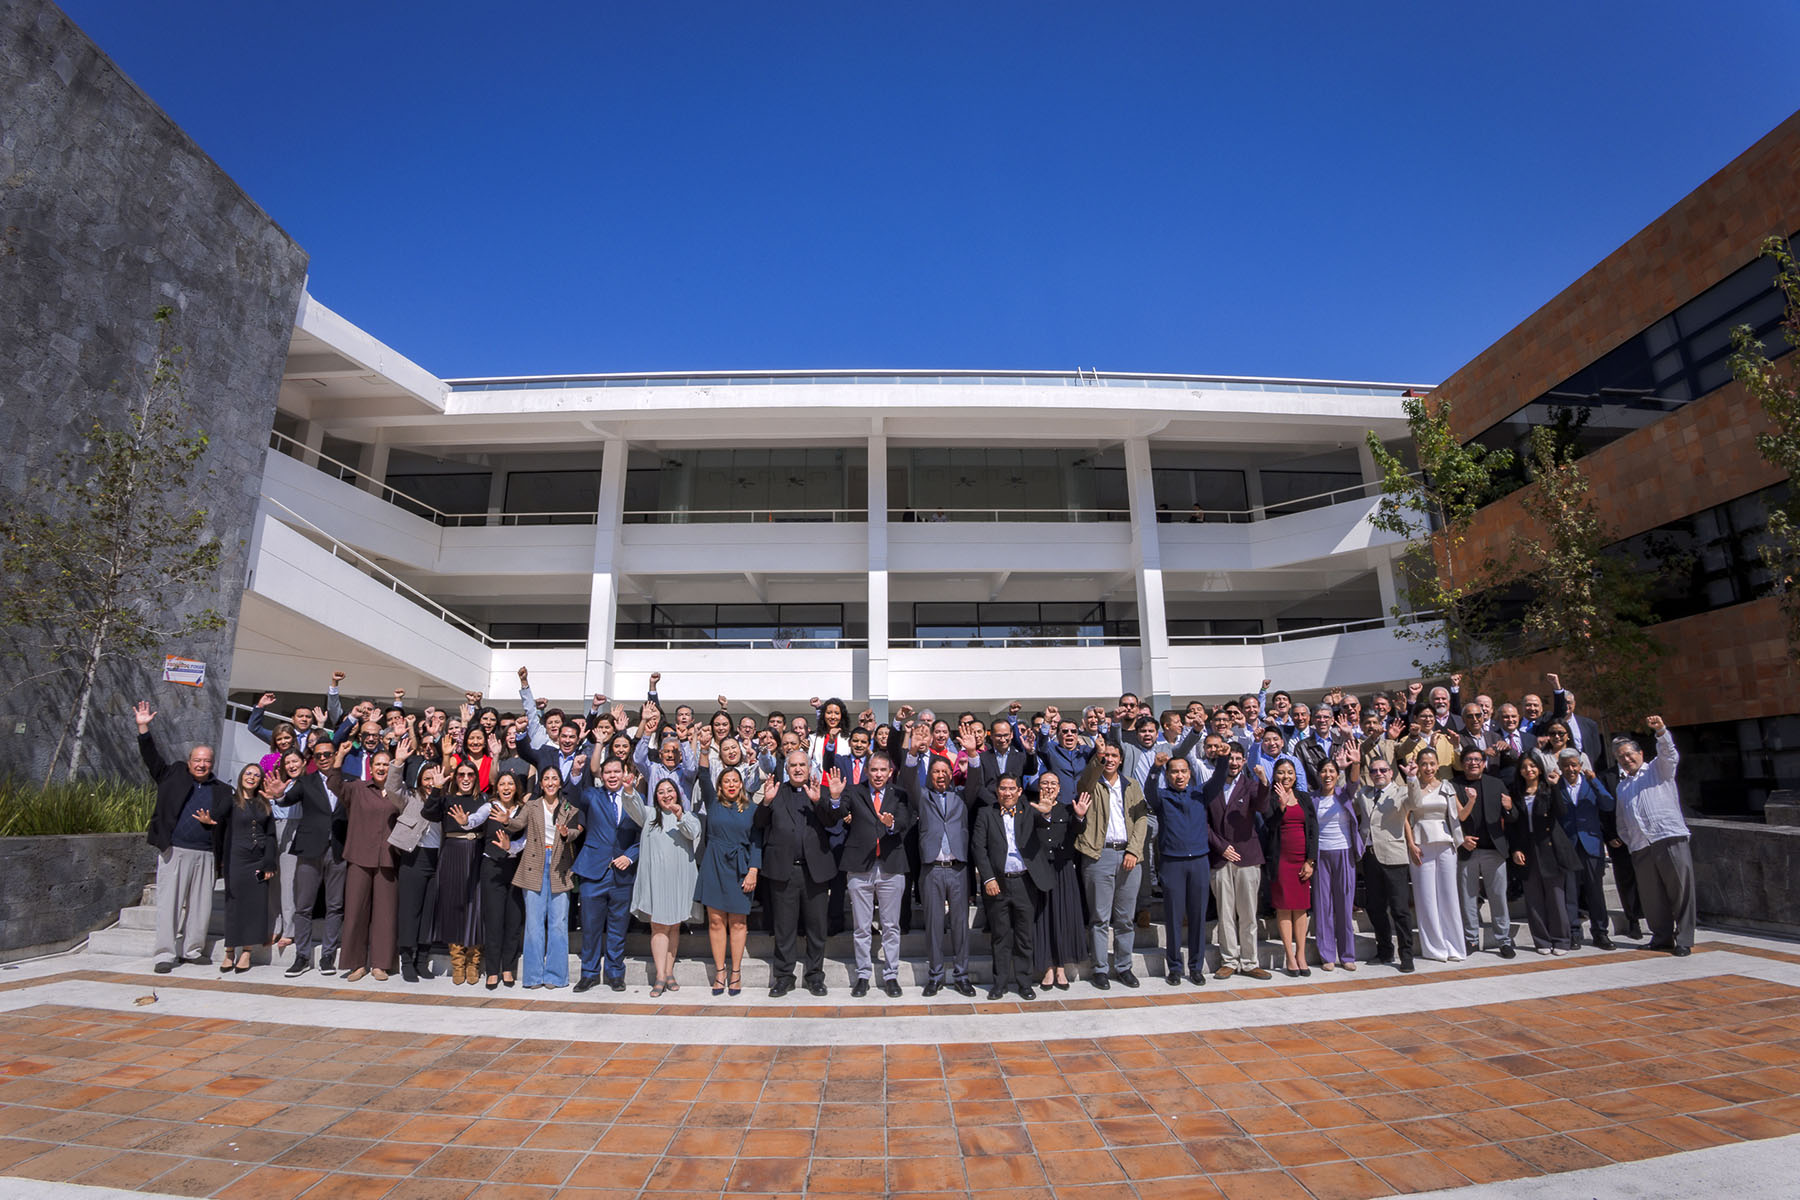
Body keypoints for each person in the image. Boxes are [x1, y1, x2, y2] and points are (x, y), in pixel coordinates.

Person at [135, 701, 232, 974]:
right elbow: (151, 758)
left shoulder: (222, 790)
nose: (202, 765)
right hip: (174, 850)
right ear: (189, 762)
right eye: (197, 760)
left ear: (212, 764)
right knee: (170, 905)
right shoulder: (172, 775)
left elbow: (227, 821)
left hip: (206, 854)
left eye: (206, 761)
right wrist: (143, 728)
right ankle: (165, 954)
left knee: (201, 907)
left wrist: (214, 823)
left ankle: (192, 950)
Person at [758, 751, 845, 997]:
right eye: (793, 765)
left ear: (809, 767)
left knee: (817, 928)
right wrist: (765, 802)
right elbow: (758, 824)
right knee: (784, 929)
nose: (797, 769)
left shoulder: (819, 791)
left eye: (802, 765)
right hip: (783, 872)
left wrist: (820, 801)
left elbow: (832, 822)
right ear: (786, 769)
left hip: (814, 872)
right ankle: (784, 977)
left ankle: (815, 976)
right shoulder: (775, 791)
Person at [1613, 716, 1695, 955]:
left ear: (1640, 753)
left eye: (1629, 755)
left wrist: (1660, 732)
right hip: (1641, 847)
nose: (1626, 760)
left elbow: (1669, 753)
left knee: (1680, 891)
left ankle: (1684, 939)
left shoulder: (1659, 769)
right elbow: (1622, 820)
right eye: (1621, 758)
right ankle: (1661, 938)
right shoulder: (1622, 786)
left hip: (1668, 837)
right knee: (1652, 898)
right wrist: (1632, 843)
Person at [1072, 741, 1149, 990]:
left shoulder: (1132, 785)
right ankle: (1100, 969)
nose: (1110, 759)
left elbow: (1141, 818)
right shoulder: (1091, 783)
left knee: (1125, 918)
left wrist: (1134, 851)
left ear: (1121, 759)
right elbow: (1087, 779)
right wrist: (1098, 755)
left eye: (1114, 755)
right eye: (1106, 755)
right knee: (1099, 918)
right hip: (1099, 856)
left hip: (1128, 855)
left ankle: (1124, 967)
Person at [840, 753, 914, 998]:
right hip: (860, 866)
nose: (878, 775)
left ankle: (891, 975)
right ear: (867, 771)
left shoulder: (899, 794)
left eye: (883, 770)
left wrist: (891, 824)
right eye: (874, 770)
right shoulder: (853, 791)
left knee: (891, 925)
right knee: (861, 926)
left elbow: (904, 822)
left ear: (890, 772)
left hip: (891, 866)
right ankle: (863, 975)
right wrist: (832, 797)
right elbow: (839, 810)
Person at [971, 776, 1053, 999]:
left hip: (1025, 883)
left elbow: (1045, 830)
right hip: (998, 884)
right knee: (1000, 936)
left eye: (1011, 789)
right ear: (997, 791)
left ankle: (1025, 983)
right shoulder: (986, 814)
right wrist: (988, 879)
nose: (1007, 793)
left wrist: (1046, 813)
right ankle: (1000, 983)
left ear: (1019, 792)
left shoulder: (1029, 811)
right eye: (1003, 789)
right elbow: (979, 848)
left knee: (1025, 936)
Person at [328, 741, 403, 982]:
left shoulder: (398, 791)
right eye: (378, 764)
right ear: (370, 767)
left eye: (386, 764)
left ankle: (380, 964)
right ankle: (356, 963)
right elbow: (334, 784)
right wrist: (339, 756)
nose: (381, 768)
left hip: (388, 859)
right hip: (360, 856)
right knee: (355, 912)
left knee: (386, 914)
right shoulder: (357, 788)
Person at [568, 757, 643, 992]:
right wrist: (576, 773)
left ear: (624, 773)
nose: (612, 776)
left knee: (618, 926)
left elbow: (645, 834)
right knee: (590, 926)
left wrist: (630, 856)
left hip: (622, 872)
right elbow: (573, 794)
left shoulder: (635, 800)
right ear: (601, 775)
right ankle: (589, 973)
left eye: (616, 771)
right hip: (593, 871)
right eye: (608, 772)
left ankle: (614, 973)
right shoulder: (592, 795)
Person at [625, 778, 703, 995]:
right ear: (655, 796)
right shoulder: (649, 815)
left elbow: (692, 832)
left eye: (670, 791)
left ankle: (669, 971)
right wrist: (630, 789)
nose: (666, 795)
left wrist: (679, 815)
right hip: (655, 880)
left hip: (679, 879)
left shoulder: (688, 817)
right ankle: (660, 974)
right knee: (659, 926)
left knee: (675, 925)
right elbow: (633, 806)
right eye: (661, 792)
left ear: (677, 793)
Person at [911, 753, 977, 997]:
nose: (940, 775)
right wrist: (911, 754)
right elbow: (908, 779)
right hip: (932, 869)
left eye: (944, 771)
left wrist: (972, 756)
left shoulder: (960, 796)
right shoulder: (923, 797)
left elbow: (975, 782)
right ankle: (936, 976)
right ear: (930, 775)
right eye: (936, 771)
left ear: (951, 775)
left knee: (960, 925)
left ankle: (962, 975)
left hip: (957, 868)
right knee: (934, 925)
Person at [693, 765, 763, 997]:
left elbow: (756, 841)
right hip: (714, 864)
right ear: (720, 786)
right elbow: (703, 775)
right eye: (726, 781)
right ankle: (720, 972)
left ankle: (736, 972)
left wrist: (753, 870)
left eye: (735, 780)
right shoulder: (713, 803)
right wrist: (703, 749)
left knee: (738, 922)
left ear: (741, 784)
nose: (731, 784)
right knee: (715, 921)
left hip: (740, 867)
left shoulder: (752, 808)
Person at [1206, 747, 1271, 980]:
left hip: (1247, 857)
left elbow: (1262, 806)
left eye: (1237, 758)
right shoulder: (1211, 786)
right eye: (1229, 758)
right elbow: (1203, 823)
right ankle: (1229, 960)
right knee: (1225, 914)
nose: (1233, 762)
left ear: (1244, 761)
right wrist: (1221, 847)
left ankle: (1250, 961)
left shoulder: (1251, 785)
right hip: (1221, 858)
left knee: (1248, 914)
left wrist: (1264, 781)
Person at [512, 766, 581, 988]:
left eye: (554, 779)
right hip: (534, 863)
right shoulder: (531, 805)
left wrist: (565, 833)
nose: (550, 782)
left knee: (558, 923)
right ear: (540, 784)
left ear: (560, 783)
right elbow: (518, 824)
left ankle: (555, 976)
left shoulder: (569, 807)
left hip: (559, 865)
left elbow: (575, 831)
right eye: (546, 779)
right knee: (533, 923)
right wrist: (506, 820)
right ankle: (533, 976)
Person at [1146, 755, 1210, 986]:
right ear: (1168, 775)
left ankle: (1196, 966)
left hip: (1199, 862)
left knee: (1197, 917)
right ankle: (1174, 967)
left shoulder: (1199, 794)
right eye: (1174, 771)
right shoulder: (1163, 797)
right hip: (1172, 863)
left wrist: (1222, 760)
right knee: (1173, 917)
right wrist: (1156, 767)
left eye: (1183, 771)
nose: (1179, 775)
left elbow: (1219, 779)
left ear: (1190, 773)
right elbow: (1149, 791)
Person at [212, 762, 278, 973]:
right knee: (234, 905)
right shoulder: (230, 801)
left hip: (258, 860)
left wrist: (269, 862)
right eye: (248, 773)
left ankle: (247, 951)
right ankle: (230, 951)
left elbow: (270, 835)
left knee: (254, 906)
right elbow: (216, 821)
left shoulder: (263, 804)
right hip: (236, 859)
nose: (251, 777)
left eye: (256, 775)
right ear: (241, 776)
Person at [1455, 745, 1519, 958]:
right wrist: (1460, 839)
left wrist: (1509, 807)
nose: (1473, 763)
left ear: (1484, 763)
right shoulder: (1454, 785)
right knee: (1468, 897)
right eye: (1468, 759)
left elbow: (1512, 818)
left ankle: (1504, 940)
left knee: (1498, 897)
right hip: (1467, 850)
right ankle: (1471, 940)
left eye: (1477, 759)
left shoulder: (1496, 783)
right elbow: (1449, 819)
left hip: (1495, 849)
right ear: (1462, 763)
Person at [1402, 749, 1465, 962]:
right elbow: (1405, 817)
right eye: (1424, 764)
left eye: (1432, 763)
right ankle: (1435, 948)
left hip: (1446, 842)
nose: (1428, 768)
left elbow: (1460, 813)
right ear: (1418, 765)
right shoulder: (1411, 787)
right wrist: (1411, 844)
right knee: (1426, 896)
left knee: (1449, 895)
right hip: (1421, 844)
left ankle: (1454, 946)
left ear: (1438, 765)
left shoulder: (1447, 786)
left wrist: (1472, 801)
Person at [1354, 757, 1415, 972]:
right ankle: (1384, 950)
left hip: (1393, 856)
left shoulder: (1402, 791)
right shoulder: (1364, 793)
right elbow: (1349, 797)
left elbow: (1415, 802)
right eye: (1373, 770)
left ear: (1390, 772)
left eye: (1382, 770)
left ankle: (1406, 954)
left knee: (1399, 909)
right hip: (1369, 857)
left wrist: (1412, 777)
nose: (1378, 773)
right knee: (1376, 908)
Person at [1511, 753, 1574, 954]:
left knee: (1556, 897)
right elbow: (1513, 825)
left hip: (1549, 846)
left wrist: (1555, 786)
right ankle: (1542, 941)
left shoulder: (1548, 788)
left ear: (1539, 768)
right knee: (1533, 898)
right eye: (1524, 767)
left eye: (1532, 766)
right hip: (1527, 848)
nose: (1528, 770)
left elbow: (1562, 811)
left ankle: (1562, 940)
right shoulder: (1516, 792)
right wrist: (1515, 849)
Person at [1554, 749, 1617, 950]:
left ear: (1580, 766)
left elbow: (1608, 804)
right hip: (1569, 845)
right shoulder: (1556, 787)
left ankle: (1600, 933)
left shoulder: (1591, 784)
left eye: (1574, 765)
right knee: (1570, 892)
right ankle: (1574, 933)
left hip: (1591, 843)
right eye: (1566, 765)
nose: (1570, 769)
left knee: (1595, 892)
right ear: (1560, 767)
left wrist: (1595, 781)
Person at [1031, 772, 1087, 990]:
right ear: (1038, 786)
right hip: (1041, 869)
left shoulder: (1067, 808)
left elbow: (1076, 830)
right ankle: (1047, 968)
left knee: (1064, 916)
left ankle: (1061, 967)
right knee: (1044, 918)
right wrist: (1043, 816)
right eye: (1045, 783)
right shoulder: (1031, 808)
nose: (1049, 787)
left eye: (1053, 783)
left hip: (1064, 869)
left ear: (1060, 787)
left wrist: (1080, 816)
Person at [1309, 747, 1363, 971]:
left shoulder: (1344, 794)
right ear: (1319, 774)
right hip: (1321, 854)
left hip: (1344, 852)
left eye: (1331, 771)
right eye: (1324, 771)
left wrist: (1355, 763)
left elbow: (1354, 782)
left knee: (1344, 904)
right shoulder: (1312, 799)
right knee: (1323, 906)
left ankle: (1347, 955)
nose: (1328, 775)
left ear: (1337, 774)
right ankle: (1327, 954)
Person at [436, 761, 489, 986]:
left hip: (476, 853)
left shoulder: (483, 800)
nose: (465, 778)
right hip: (452, 852)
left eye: (470, 774)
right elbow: (428, 811)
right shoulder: (447, 799)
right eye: (461, 774)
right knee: (454, 907)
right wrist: (437, 790)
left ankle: (473, 962)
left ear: (476, 777)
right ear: (455, 777)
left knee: (476, 908)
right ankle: (457, 962)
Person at [1267, 759, 1317, 977]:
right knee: (1284, 907)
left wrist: (1310, 861)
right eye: (1281, 772)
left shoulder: (1305, 798)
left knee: (1301, 908)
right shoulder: (1270, 799)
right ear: (1274, 775)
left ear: (1296, 776)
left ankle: (1301, 954)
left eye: (1290, 772)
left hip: (1302, 860)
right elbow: (1268, 827)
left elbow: (1314, 830)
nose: (1285, 776)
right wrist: (1281, 806)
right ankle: (1289, 955)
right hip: (1281, 861)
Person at [479, 773, 528, 988]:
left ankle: (507, 968)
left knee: (514, 920)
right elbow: (474, 820)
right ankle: (492, 970)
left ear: (516, 788)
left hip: (516, 868)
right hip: (492, 868)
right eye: (502, 784)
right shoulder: (488, 807)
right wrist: (464, 822)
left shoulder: (523, 811)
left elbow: (526, 840)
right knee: (494, 920)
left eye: (510, 784)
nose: (506, 787)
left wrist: (511, 848)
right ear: (496, 787)